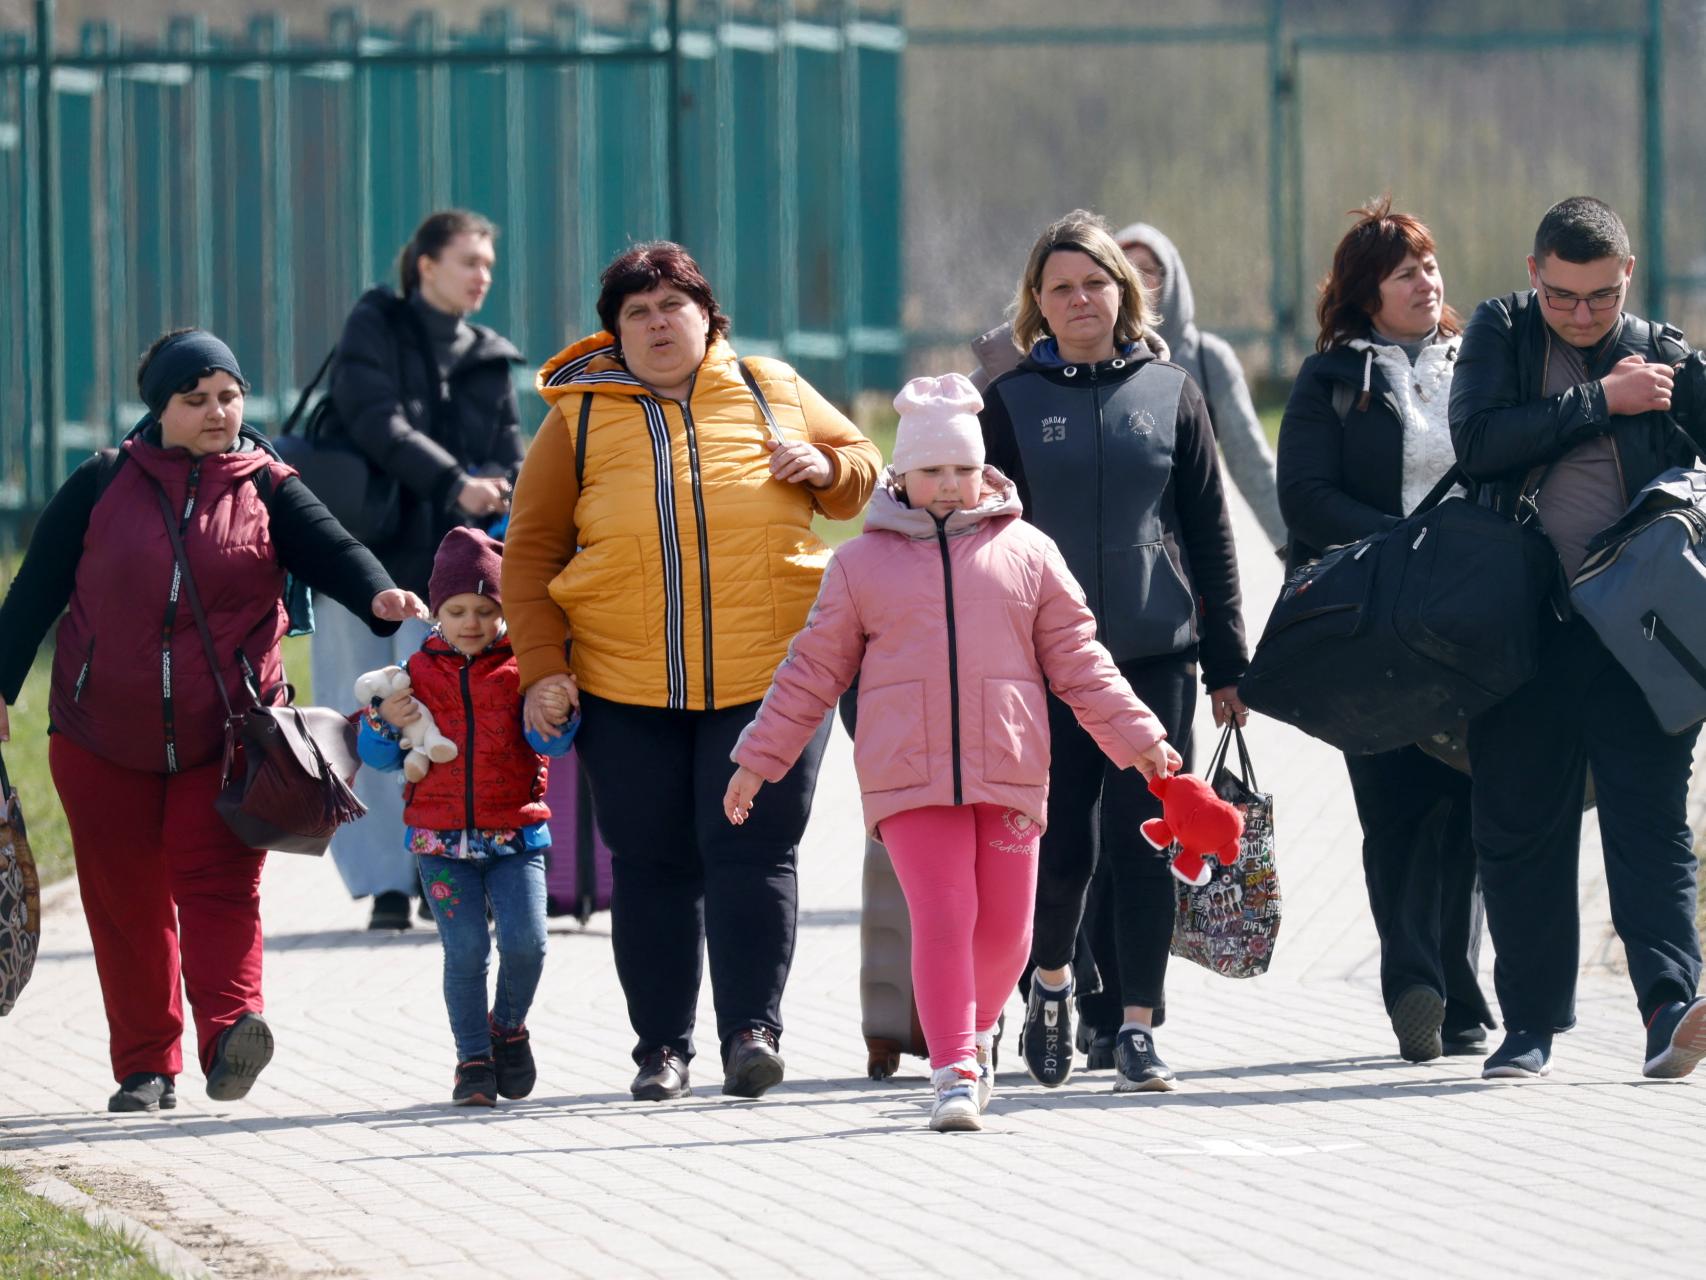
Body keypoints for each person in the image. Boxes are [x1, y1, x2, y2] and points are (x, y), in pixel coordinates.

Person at [724, 374, 1179, 1131]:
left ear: (982, 471)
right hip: (907, 776)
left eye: (962, 470)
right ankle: (953, 1071)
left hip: (1009, 770)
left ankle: (976, 1026)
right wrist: (758, 759)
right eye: (932, 471)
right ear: (900, 475)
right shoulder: (859, 566)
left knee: (1009, 932)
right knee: (943, 913)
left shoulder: (1028, 552)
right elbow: (811, 671)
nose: (948, 485)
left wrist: (1143, 740)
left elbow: (1080, 661)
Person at [0, 329, 425, 1112]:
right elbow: (36, 589)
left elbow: (332, 547)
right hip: (99, 736)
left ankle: (230, 1032)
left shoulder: (268, 486)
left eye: (228, 397)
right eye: (195, 400)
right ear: (159, 408)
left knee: (219, 885)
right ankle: (145, 1067)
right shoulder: (102, 483)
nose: (217, 413)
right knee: (124, 903)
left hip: (228, 737)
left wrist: (378, 594)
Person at [502, 242, 881, 1102]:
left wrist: (825, 467)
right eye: (637, 312)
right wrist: (542, 669)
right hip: (625, 683)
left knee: (751, 848)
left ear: (708, 317)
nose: (657, 322)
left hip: (773, 674)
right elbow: (527, 557)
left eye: (673, 304)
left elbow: (863, 474)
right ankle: (661, 1051)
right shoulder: (578, 420)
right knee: (652, 862)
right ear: (615, 335)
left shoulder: (770, 386)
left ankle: (753, 1032)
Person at [979, 209, 1248, 1093]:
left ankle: (1138, 1025)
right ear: (1038, 304)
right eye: (1061, 287)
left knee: (1144, 847)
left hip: (1154, 656)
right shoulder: (1010, 404)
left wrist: (1228, 664)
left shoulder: (1172, 392)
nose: (1080, 298)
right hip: (1044, 663)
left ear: (1123, 293)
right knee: (1059, 846)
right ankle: (1051, 985)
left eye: (1095, 282)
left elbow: (1210, 530)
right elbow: (977, 532)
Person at [1450, 196, 1706, 1080]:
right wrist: (1604, 399)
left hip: (1639, 637)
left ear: (1626, 276)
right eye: (1563, 296)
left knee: (1650, 825)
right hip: (1521, 633)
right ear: (1534, 275)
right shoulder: (1503, 333)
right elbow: (1477, 442)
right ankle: (1528, 1028)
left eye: (1600, 297)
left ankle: (1670, 1008)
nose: (1583, 315)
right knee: (1520, 827)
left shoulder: (1669, 354)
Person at [1276, 197, 1495, 1061]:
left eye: (1430, 266)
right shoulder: (1330, 380)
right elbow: (1304, 497)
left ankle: (1463, 992)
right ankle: (1412, 981)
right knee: (1394, 805)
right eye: (1404, 271)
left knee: (1467, 804)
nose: (1425, 281)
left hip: (1468, 620)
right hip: (1368, 624)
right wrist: (1398, 544)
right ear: (1367, 294)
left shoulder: (1479, 365)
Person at [312, 209, 527, 931]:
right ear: (425, 265)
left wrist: (494, 483)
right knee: (360, 713)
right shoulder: (375, 322)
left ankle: (439, 867)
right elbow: (373, 418)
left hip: (447, 577)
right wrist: (454, 481)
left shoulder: (491, 356)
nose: (481, 277)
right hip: (359, 560)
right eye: (469, 261)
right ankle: (385, 886)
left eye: (488, 266)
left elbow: (508, 447)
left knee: (441, 715)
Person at [356, 527, 575, 1106]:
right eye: (457, 610)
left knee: (528, 944)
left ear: (504, 610)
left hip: (516, 836)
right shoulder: (411, 675)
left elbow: (550, 745)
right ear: (436, 612)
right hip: (439, 842)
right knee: (467, 952)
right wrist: (383, 720)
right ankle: (472, 1060)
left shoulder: (525, 668)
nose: (471, 623)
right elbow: (379, 757)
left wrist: (558, 709)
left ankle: (507, 1028)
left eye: (485, 609)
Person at [968, 221, 1285, 550]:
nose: (1082, 296)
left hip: (1178, 558)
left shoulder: (1206, 361)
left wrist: (1288, 546)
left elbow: (1250, 463)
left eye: (1147, 269)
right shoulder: (1032, 374)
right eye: (1064, 287)